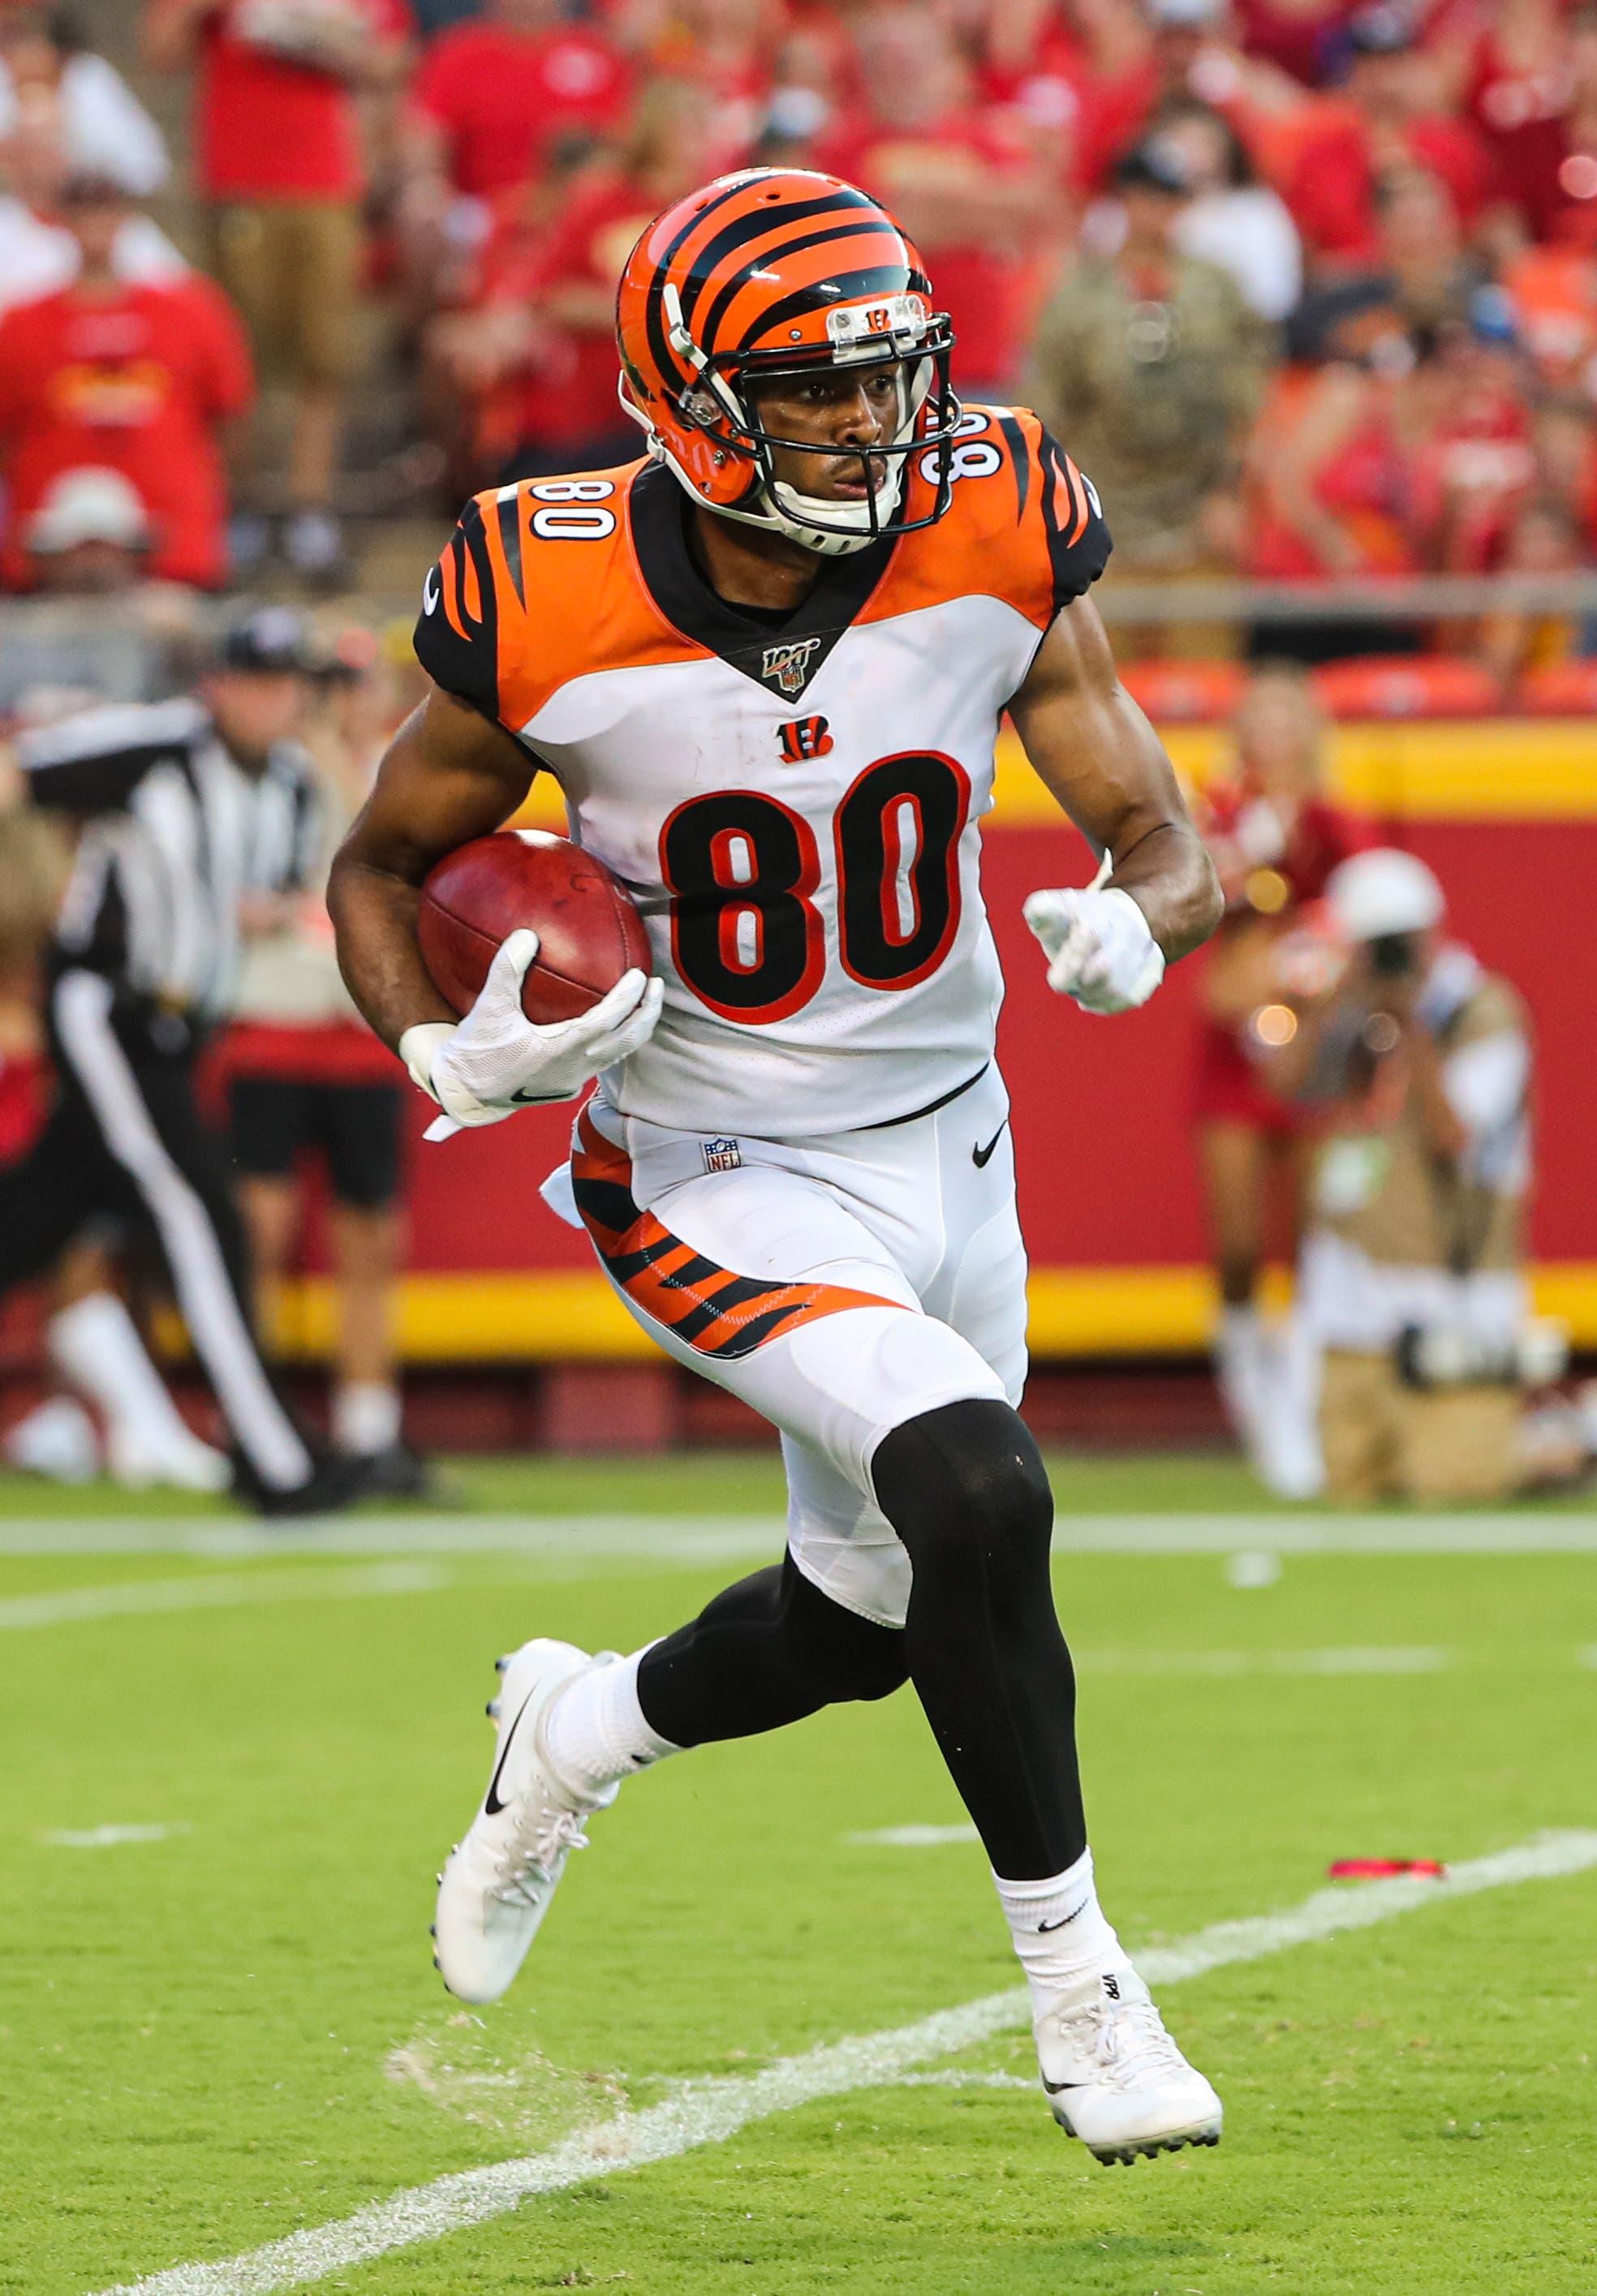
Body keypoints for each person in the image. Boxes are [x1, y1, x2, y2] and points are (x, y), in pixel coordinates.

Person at [330, 166, 1226, 2163]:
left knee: (870, 1613)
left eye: (890, 376)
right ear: (692, 400)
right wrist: (435, 1042)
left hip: (953, 1145)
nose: (873, 423)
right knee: (978, 1483)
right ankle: (1082, 1993)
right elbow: (383, 861)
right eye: (817, 391)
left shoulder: (994, 513)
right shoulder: (545, 589)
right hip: (714, 1156)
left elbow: (1163, 822)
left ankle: (570, 1728)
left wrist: (1146, 910)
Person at [0, 609, 362, 1513]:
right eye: (259, 680)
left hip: (180, 1031)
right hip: (109, 1010)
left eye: (290, 685)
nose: (274, 700)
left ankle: (270, 1442)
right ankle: (276, 1458)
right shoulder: (155, 744)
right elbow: (21, 769)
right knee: (202, 1214)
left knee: (28, 1224)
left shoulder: (288, 783)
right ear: (219, 685)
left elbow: (251, 903)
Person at [1262, 849, 1536, 1504]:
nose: (1385, 959)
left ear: (1429, 934)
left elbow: (1453, 1137)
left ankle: (1558, 1443)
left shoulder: (1482, 1013)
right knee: (1352, 1485)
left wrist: (1412, 1022)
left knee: (1454, 1484)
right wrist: (1319, 1003)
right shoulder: (1351, 1010)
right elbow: (1285, 1087)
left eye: (1393, 945)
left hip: (1448, 1296)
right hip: (1350, 1298)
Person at [224, 633, 428, 1493]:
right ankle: (255, 1416)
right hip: (274, 1014)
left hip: (358, 1024)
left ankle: (367, 1420)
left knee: (370, 1231)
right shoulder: (272, 771)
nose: (348, 696)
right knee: (259, 1227)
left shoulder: (401, 765)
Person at [142, 0, 412, 582]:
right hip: (240, 178)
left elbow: (388, 61)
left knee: (324, 357)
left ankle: (309, 509)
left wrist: (319, 38)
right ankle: (249, 502)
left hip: (327, 181)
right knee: (240, 360)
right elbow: (161, 53)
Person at [1190, 662, 1372, 1496]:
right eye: (1256, 716)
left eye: (1285, 716)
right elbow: (1195, 900)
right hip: (1233, 1041)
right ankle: (1245, 1390)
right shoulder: (1219, 810)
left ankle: (1294, 1402)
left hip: (1311, 1044)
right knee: (1235, 1243)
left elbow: (1366, 900)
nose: (1272, 732)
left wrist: (1309, 956)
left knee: (1304, 1234)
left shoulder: (1333, 820)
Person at [1027, 135, 1272, 622]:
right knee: (1108, 682)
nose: (1157, 209)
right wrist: (1064, 514)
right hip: (1106, 518)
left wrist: (1232, 495)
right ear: (1124, 198)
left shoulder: (1218, 289)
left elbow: (1250, 400)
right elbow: (1044, 411)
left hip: (1198, 516)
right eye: (1146, 194)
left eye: (1170, 196)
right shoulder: (1078, 294)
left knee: (1205, 681)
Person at [0, 170, 253, 591]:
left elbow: (231, 417)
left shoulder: (191, 311)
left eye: (106, 209)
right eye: (83, 211)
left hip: (175, 549)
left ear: (127, 218)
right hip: (51, 557)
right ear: (62, 220)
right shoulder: (21, 325)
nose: (95, 224)